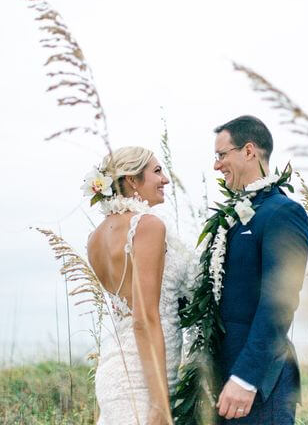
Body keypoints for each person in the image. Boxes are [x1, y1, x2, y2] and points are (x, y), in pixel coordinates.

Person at [213, 116, 308, 424]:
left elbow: (278, 303)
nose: (217, 165)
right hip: (222, 377)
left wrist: (245, 378)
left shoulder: (283, 213)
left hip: (258, 384)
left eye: (221, 155)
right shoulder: (234, 217)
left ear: (249, 151)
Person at [86, 146, 191, 425]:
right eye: (157, 171)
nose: (165, 179)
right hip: (144, 377)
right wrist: (159, 403)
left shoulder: (95, 238)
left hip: (117, 365)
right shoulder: (148, 225)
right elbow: (143, 319)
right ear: (132, 180)